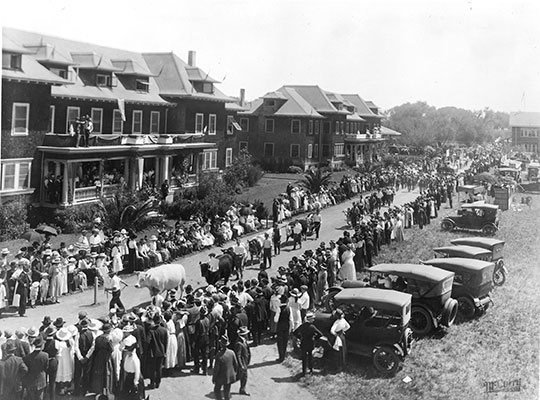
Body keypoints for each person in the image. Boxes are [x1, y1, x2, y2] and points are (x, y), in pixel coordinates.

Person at [293, 312, 323, 377]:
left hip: (303, 342)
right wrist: (315, 338)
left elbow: (295, 332)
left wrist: (300, 337)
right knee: (310, 356)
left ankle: (304, 371)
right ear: (310, 319)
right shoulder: (312, 327)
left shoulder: (302, 326)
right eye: (312, 319)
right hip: (310, 343)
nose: (314, 320)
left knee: (304, 357)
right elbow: (320, 334)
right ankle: (310, 370)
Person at [22, 336, 49, 400]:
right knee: (39, 397)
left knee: (30, 397)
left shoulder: (28, 357)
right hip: (41, 380)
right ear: (42, 345)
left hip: (30, 380)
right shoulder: (45, 355)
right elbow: (46, 367)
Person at [212, 335, 238, 400]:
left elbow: (216, 369)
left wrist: (214, 378)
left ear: (221, 344)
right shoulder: (232, 352)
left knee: (217, 390)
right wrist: (234, 373)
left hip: (220, 377)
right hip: (229, 377)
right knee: (227, 393)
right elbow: (236, 364)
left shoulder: (219, 355)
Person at [233, 326, 251, 396]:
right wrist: (241, 365)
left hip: (245, 362)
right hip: (242, 363)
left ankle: (242, 389)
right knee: (240, 376)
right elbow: (238, 355)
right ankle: (226, 384)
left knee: (244, 377)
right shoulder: (239, 343)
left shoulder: (244, 341)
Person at [274, 295, 290, 362]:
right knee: (285, 341)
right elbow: (290, 319)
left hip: (280, 326)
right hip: (287, 325)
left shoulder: (279, 308)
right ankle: (284, 355)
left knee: (280, 342)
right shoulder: (289, 308)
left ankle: (281, 357)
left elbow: (276, 320)